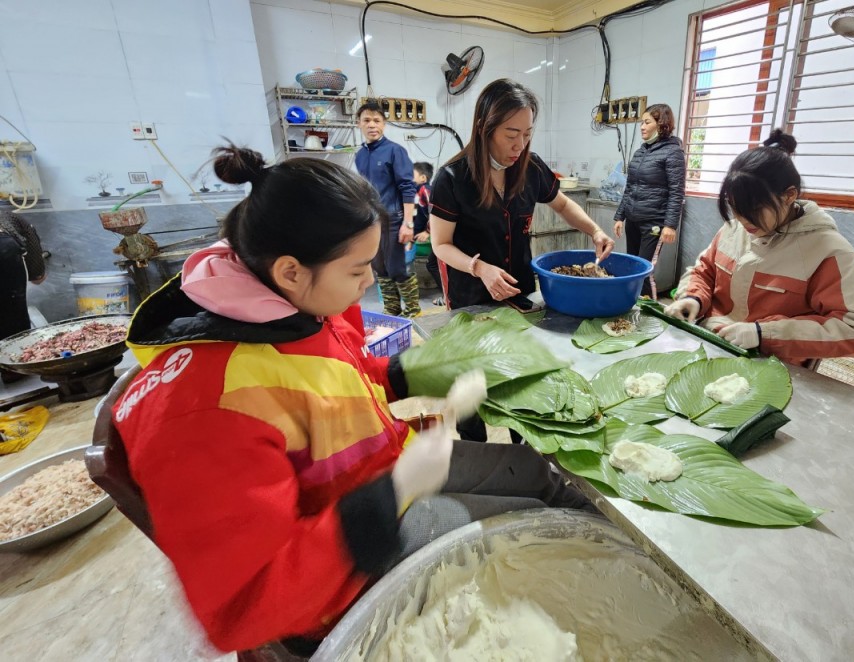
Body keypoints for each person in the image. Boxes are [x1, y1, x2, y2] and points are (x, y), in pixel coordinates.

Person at [112, 145, 592, 656]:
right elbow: (244, 602)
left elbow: (342, 376)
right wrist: (396, 490)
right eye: (358, 269)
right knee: (527, 530)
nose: (370, 281)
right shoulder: (206, 408)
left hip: (379, 470)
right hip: (340, 566)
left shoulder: (291, 302)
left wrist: (427, 374)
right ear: (291, 270)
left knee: (534, 473)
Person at [665, 129, 854, 367]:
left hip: (770, 364)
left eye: (754, 209)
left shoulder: (830, 252)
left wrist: (763, 333)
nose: (743, 220)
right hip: (711, 343)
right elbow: (704, 271)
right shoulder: (735, 228)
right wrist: (693, 298)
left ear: (789, 196)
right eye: (735, 207)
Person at [430, 78, 614, 311]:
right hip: (473, 295)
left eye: (527, 134)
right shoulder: (451, 178)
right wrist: (479, 268)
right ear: (483, 129)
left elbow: (564, 206)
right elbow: (441, 244)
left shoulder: (531, 167)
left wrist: (595, 231)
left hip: (521, 289)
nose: (520, 145)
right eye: (511, 135)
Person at [613, 103, 687, 298]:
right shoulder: (641, 152)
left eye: (647, 122)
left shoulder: (673, 152)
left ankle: (648, 313)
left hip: (653, 224)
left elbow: (677, 192)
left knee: (644, 273)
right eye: (641, 123)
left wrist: (670, 225)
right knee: (631, 266)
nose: (642, 127)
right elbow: (630, 187)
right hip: (633, 221)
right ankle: (631, 306)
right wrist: (620, 216)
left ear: (661, 124)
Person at [355, 100, 420, 318]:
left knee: (397, 269)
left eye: (377, 120)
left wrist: (408, 223)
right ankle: (391, 310)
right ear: (359, 124)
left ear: (384, 124)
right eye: (367, 120)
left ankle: (413, 310)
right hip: (372, 221)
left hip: (394, 218)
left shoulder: (395, 151)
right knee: (380, 268)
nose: (372, 125)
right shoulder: (360, 155)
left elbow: (407, 188)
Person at [0, 209, 46, 385]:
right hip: (3, 248)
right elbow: (32, 245)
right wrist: (37, 273)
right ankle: (13, 371)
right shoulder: (9, 216)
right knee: (11, 311)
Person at [411, 161, 443, 306]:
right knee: (434, 264)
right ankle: (447, 293)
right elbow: (420, 217)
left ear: (423, 178)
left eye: (411, 175)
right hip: (438, 233)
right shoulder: (419, 192)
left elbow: (435, 213)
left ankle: (447, 294)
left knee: (434, 265)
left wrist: (428, 232)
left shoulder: (426, 190)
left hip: (443, 233)